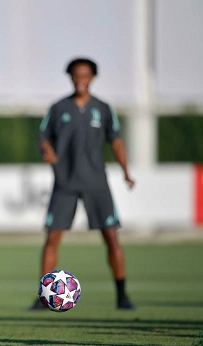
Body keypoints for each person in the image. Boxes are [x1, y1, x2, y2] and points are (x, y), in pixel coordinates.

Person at [31, 57, 136, 310]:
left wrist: (125, 171)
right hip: (65, 181)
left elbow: (117, 141)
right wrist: (47, 150)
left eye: (85, 75)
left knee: (111, 236)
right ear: (70, 77)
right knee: (52, 237)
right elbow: (43, 137)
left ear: (92, 77)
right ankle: (42, 298)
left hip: (96, 181)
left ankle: (122, 296)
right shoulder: (58, 108)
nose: (81, 79)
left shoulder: (103, 108)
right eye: (76, 75)